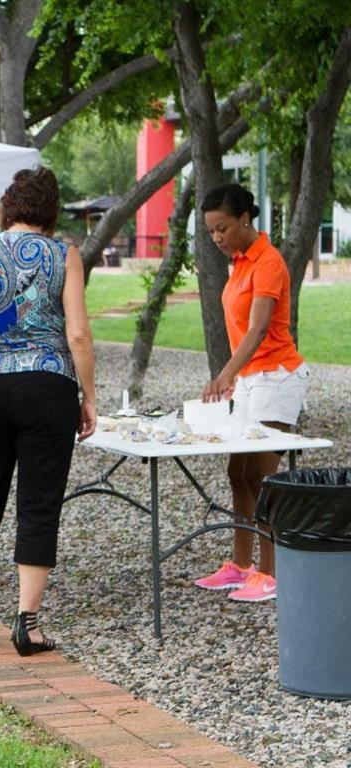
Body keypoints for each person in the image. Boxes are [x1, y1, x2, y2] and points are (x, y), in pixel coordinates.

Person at [0, 167, 97, 654]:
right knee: (39, 501)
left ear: (8, 207)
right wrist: (88, 396)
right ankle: (26, 624)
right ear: (50, 212)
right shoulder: (64, 254)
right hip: (47, 384)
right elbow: (76, 333)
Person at [195, 184, 309, 603]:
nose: (217, 238)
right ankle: (241, 566)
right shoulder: (238, 263)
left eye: (221, 228)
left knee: (262, 474)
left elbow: (260, 328)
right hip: (249, 380)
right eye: (210, 232)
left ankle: (270, 572)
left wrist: (225, 373)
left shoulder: (269, 261)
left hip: (277, 378)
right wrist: (234, 377)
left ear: (245, 219)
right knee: (237, 473)